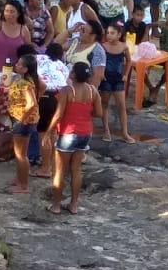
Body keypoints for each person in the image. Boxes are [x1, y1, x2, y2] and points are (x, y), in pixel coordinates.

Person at [47, 61, 103, 215]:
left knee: (60, 170)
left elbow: (58, 114)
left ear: (73, 75)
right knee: (76, 169)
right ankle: (74, 205)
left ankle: (56, 205)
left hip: (68, 133)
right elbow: (99, 113)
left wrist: (48, 132)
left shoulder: (67, 90)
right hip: (85, 133)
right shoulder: (93, 91)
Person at [7, 52, 41, 194]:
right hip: (22, 119)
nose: (16, 65)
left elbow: (32, 103)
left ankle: (23, 185)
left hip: (23, 121)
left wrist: (23, 118)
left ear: (26, 69)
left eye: (20, 64)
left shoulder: (25, 84)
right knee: (19, 153)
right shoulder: (25, 80)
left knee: (21, 154)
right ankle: (19, 178)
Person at [35, 42, 70, 177]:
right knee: (53, 132)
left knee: (43, 134)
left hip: (46, 97)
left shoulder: (40, 59)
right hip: (60, 98)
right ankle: (52, 164)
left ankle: (45, 169)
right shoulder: (63, 66)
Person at [100, 23, 134, 143]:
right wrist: (101, 73)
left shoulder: (124, 47)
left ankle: (124, 132)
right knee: (104, 104)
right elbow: (100, 61)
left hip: (118, 78)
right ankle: (106, 130)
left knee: (122, 106)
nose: (109, 35)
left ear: (119, 35)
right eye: (108, 33)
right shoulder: (103, 47)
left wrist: (125, 74)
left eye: (112, 33)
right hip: (106, 79)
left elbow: (129, 61)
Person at [0, 0, 32, 64]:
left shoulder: (24, 30)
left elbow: (29, 52)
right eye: (6, 11)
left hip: (13, 70)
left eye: (12, 12)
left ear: (18, 13)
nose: (8, 14)